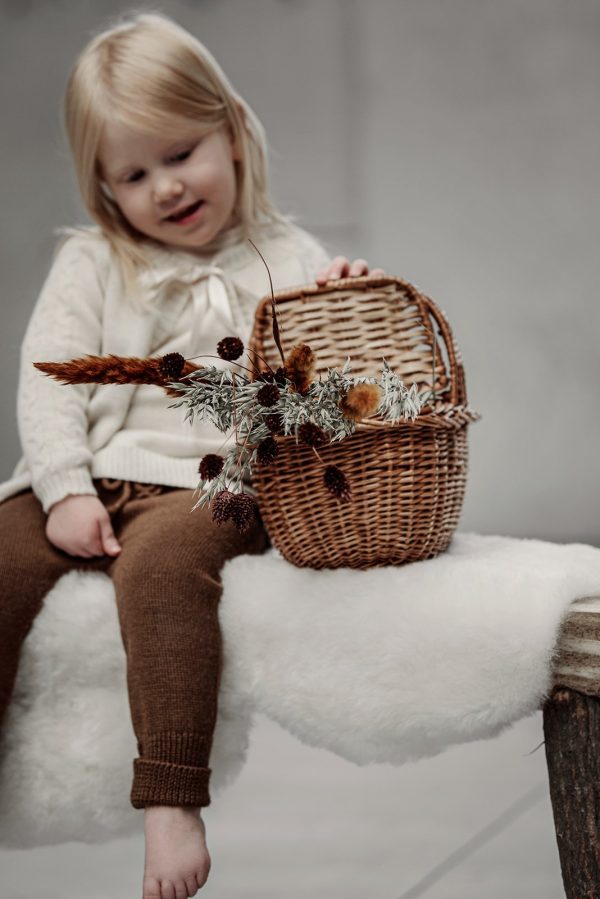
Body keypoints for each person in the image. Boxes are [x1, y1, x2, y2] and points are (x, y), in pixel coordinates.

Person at [0, 11, 384, 899]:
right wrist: (60, 486)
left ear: (234, 133)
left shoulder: (286, 259)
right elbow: (48, 379)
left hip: (213, 483)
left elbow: (322, 395)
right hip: (95, 469)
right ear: (104, 189)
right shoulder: (94, 261)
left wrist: (333, 308)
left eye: (182, 153)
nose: (166, 187)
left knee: (166, 567)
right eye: (135, 174)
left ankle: (169, 795)